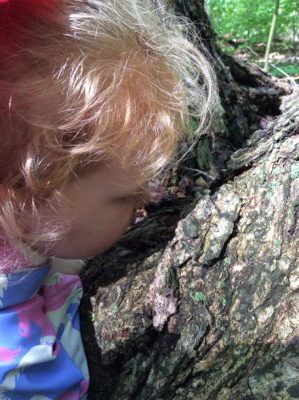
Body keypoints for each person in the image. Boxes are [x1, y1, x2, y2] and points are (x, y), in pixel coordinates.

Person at [0, 0, 217, 398]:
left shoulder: (23, 245)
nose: (144, 206)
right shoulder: (16, 363)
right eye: (124, 198)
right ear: (21, 191)